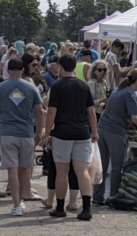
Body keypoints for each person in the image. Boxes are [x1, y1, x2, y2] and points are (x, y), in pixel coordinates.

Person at [93, 69, 137, 206]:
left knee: (102, 165)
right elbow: (135, 119)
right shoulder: (130, 94)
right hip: (115, 131)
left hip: (101, 128)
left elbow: (126, 113)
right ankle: (113, 196)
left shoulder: (118, 90)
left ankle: (97, 197)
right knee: (116, 166)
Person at [0, 58, 44, 216]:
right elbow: (39, 110)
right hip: (26, 132)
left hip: (7, 132)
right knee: (25, 169)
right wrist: (39, 132)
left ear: (8, 70)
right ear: (23, 70)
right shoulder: (31, 87)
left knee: (12, 169)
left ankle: (17, 205)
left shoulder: (1, 87)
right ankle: (23, 197)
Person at [44, 54, 97, 220]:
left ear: (60, 66)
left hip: (62, 132)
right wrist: (94, 131)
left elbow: (52, 111)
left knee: (62, 171)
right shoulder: (84, 86)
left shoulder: (57, 87)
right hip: (82, 132)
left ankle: (60, 207)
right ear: (75, 66)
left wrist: (47, 133)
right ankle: (86, 208)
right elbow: (91, 111)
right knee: (82, 171)